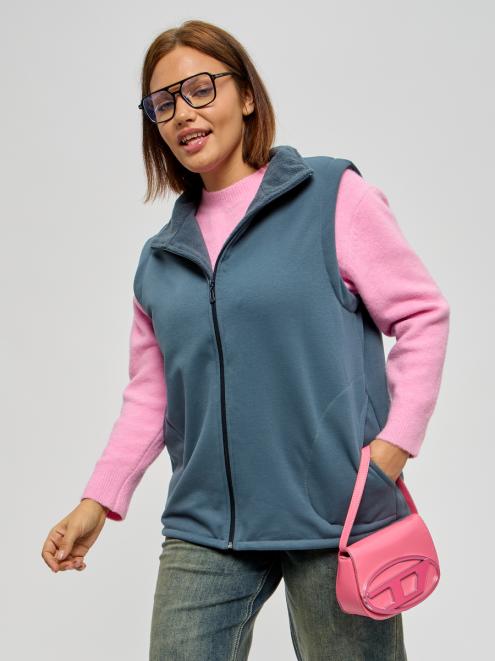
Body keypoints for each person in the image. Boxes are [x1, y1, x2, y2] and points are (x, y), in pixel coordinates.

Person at [41, 19, 450, 660]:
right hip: (206, 526)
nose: (183, 113)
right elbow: (151, 396)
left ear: (248, 96)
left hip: (336, 514)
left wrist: (392, 450)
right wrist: (99, 500)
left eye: (201, 88)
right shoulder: (160, 259)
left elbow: (422, 313)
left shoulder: (332, 196)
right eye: (163, 103)